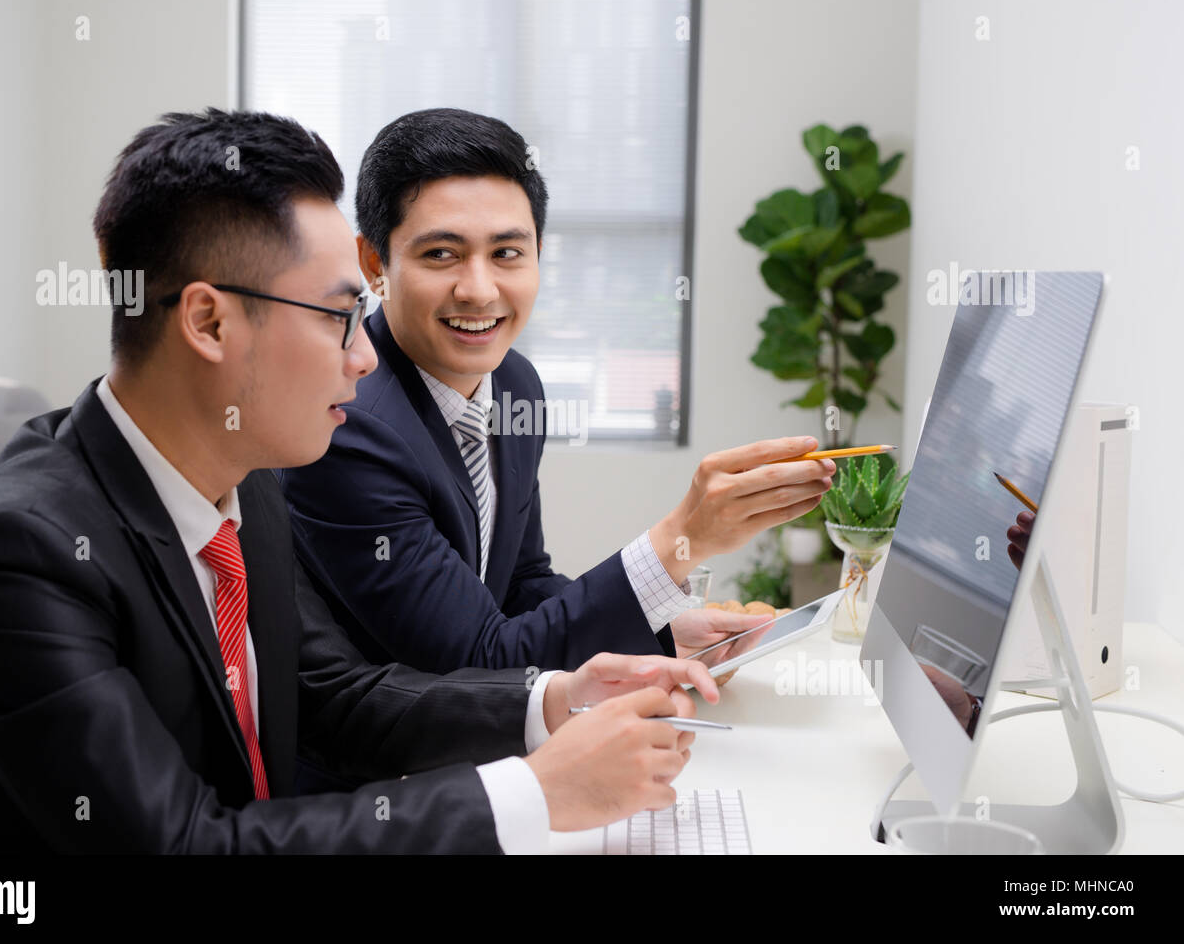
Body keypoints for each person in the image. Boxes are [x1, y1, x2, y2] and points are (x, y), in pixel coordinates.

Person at [0, 109, 718, 855]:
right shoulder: (14, 554)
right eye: (337, 317)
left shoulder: (246, 482)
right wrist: (531, 795)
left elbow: (333, 692)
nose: (364, 357)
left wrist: (551, 701)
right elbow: (183, 844)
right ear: (210, 322)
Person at [278, 107, 836, 674]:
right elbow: (478, 658)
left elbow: (520, 584)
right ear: (375, 262)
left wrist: (660, 632)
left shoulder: (515, 384)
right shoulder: (348, 423)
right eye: (441, 254)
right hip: (397, 759)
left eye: (506, 253)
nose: (478, 289)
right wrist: (681, 537)